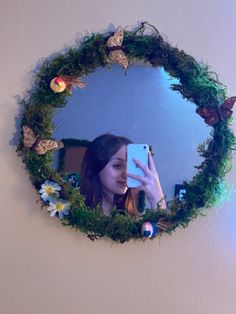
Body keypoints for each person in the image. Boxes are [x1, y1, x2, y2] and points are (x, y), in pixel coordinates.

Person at [80, 134, 166, 216]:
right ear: (95, 166)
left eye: (130, 167)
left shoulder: (128, 222)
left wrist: (157, 198)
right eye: (117, 166)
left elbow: (162, 227)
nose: (126, 174)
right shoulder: (74, 216)